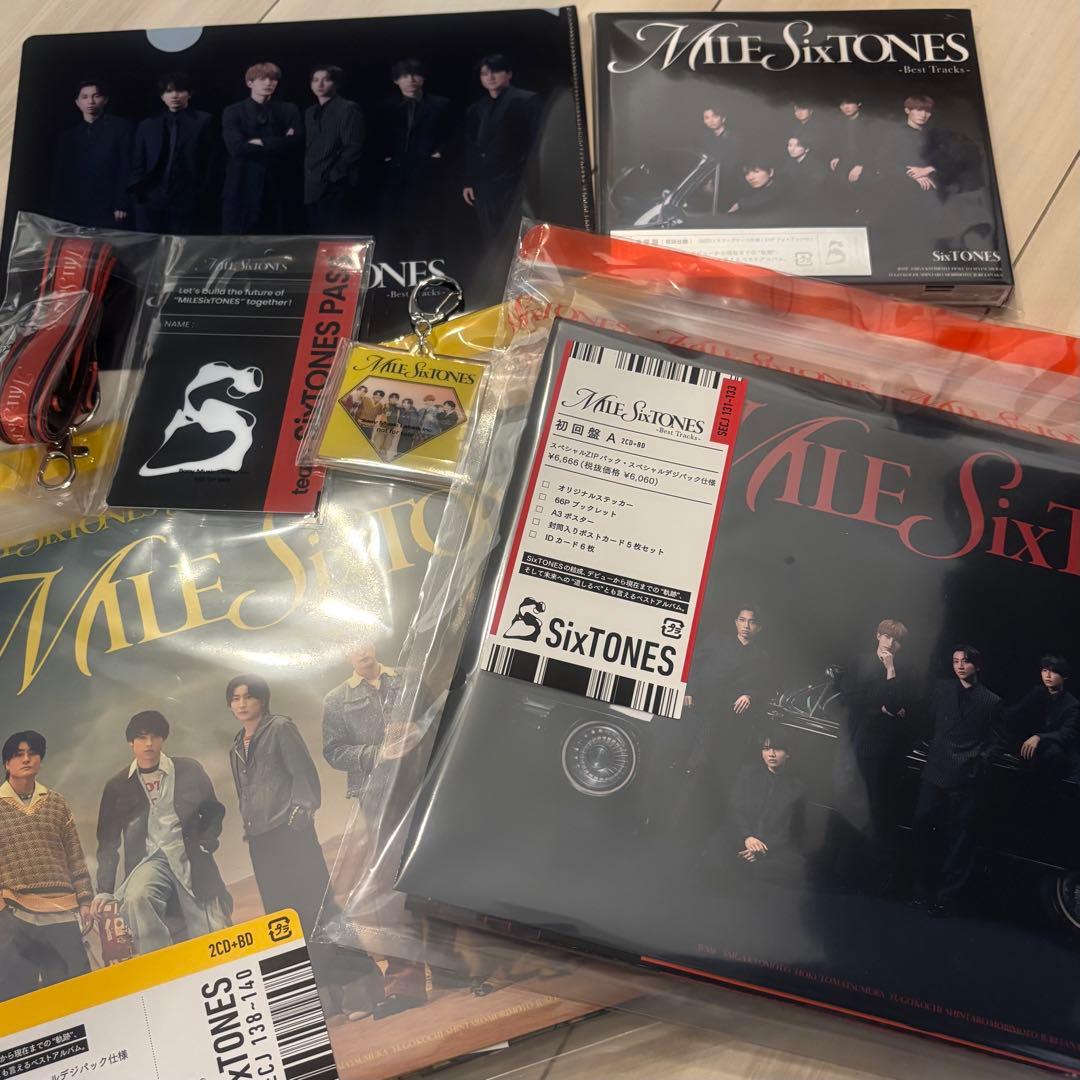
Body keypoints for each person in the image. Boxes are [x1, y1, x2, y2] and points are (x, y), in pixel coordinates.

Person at [227, 674, 380, 1024]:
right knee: (286, 919)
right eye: (235, 698)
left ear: (262, 699)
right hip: (261, 841)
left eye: (248, 696)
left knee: (320, 909)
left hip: (291, 833)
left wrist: (300, 814)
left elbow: (304, 775)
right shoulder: (236, 745)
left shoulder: (280, 728)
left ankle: (361, 991)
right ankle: (325, 1000)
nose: (242, 704)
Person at [322, 644, 427, 1020]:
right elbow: (333, 751)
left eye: (364, 640)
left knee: (441, 872)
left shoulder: (411, 679)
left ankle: (459, 969)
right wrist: (375, 753)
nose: (361, 650)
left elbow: (442, 719)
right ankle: (404, 986)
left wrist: (418, 731)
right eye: (351, 644)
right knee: (392, 890)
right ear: (345, 654)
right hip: (378, 798)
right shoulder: (336, 700)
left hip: (426, 785)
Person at [93, 711, 231, 955]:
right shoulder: (117, 786)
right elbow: (108, 842)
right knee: (136, 898)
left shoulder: (188, 769)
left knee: (213, 930)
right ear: (131, 742)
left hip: (188, 853)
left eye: (155, 736)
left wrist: (206, 842)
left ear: (163, 739)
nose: (149, 743)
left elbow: (213, 810)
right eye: (141, 737)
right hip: (148, 861)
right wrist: (104, 888)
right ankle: (159, 960)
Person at [912, 645, 1004, 916]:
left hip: (965, 777)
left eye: (966, 661)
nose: (960, 665)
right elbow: (926, 719)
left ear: (978, 665)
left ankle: (946, 898)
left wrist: (980, 761)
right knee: (923, 827)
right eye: (955, 661)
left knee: (959, 839)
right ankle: (920, 890)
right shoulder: (942, 688)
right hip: (935, 770)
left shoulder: (991, 700)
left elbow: (999, 742)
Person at [0, 731, 92, 1001]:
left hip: (60, 909)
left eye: (32, 753)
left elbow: (75, 854)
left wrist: (86, 900)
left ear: (40, 760)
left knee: (76, 990)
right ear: (7, 763)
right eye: (18, 754)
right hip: (13, 912)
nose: (26, 759)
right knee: (17, 994)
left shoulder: (57, 803)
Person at [830, 619, 913, 893]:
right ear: (878, 636)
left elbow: (897, 703)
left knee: (875, 807)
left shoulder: (902, 671)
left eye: (896, 640)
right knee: (847, 798)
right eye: (887, 637)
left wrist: (890, 670)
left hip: (880, 748)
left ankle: (866, 873)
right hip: (854, 739)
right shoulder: (859, 661)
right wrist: (881, 708)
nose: (890, 643)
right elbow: (848, 697)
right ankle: (841, 867)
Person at [462, 54, 542, 242]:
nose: (490, 77)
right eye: (484, 74)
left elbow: (537, 141)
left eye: (496, 71)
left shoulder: (528, 100)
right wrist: (468, 181)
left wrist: (529, 176)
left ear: (509, 74)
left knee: (519, 237)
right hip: (485, 185)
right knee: (492, 238)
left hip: (516, 181)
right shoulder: (476, 108)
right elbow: (471, 147)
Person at [379, 58, 452, 251]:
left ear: (423, 78)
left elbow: (454, 134)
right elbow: (377, 137)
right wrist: (386, 157)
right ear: (396, 80)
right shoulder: (386, 106)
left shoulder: (441, 104)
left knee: (427, 220)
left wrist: (440, 153)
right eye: (404, 75)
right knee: (394, 220)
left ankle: (425, 259)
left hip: (428, 170)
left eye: (415, 75)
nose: (411, 79)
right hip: (395, 171)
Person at [221, 62, 302, 233]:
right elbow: (236, 148)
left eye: (273, 79)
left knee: (277, 235)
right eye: (262, 79)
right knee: (240, 236)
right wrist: (281, 141)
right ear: (249, 83)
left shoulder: (288, 109)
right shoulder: (233, 111)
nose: (268, 83)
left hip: (279, 182)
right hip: (242, 183)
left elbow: (296, 141)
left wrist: (262, 142)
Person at [129, 72, 213, 234]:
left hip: (187, 196)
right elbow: (137, 162)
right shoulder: (147, 125)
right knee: (149, 244)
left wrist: (200, 192)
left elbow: (211, 159)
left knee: (182, 245)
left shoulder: (204, 121)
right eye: (168, 91)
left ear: (189, 94)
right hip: (150, 197)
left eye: (180, 90)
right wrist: (139, 192)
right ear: (162, 97)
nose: (174, 95)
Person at [51, 79, 133, 228]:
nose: (91, 101)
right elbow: (61, 175)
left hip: (110, 206)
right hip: (76, 206)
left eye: (96, 96)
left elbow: (126, 167)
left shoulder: (121, 127)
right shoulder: (69, 136)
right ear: (77, 103)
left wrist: (122, 203)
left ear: (105, 99)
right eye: (85, 97)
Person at [729, 731, 806, 884]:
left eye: (777, 749)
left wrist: (762, 849)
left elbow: (791, 830)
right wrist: (747, 837)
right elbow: (735, 810)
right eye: (766, 749)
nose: (771, 754)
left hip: (773, 848)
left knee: (788, 872)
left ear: (788, 753)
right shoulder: (747, 774)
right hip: (741, 836)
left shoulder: (798, 788)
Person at [304, 64, 365, 234]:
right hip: (312, 184)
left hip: (336, 183)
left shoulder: (348, 108)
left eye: (326, 80)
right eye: (315, 80)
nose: (320, 84)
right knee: (316, 234)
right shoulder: (310, 112)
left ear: (336, 84)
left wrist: (335, 174)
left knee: (335, 235)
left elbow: (354, 146)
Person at [1006, 656, 1078, 779]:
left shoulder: (1072, 704)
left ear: (1064, 677)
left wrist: (1039, 737)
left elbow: (1065, 734)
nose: (1047, 676)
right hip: (1032, 745)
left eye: (1053, 672)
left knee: (1052, 753)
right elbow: (1016, 712)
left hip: (1056, 751)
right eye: (1045, 670)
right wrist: (995, 712)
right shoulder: (1037, 692)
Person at [698, 105, 743, 209]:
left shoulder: (734, 139)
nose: (711, 121)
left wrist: (713, 184)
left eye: (715, 116)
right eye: (707, 117)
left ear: (723, 119)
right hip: (710, 182)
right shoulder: (706, 138)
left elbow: (732, 166)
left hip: (729, 184)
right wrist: (706, 182)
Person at [372, 392, 403, 458]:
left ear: (397, 399)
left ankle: (383, 457)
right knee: (378, 442)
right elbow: (383, 412)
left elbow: (399, 419)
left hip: (392, 428)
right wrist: (386, 413)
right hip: (382, 427)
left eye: (395, 398)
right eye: (392, 398)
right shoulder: (386, 405)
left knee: (388, 444)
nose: (393, 399)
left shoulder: (398, 408)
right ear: (389, 398)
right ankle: (375, 456)